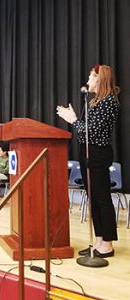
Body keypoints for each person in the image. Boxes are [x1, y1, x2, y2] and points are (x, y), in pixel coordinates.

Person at [56, 64, 119, 258]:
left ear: (100, 79)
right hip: (88, 152)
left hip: (98, 154)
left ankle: (107, 244)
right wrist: (76, 120)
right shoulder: (94, 102)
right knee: (94, 199)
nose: (87, 81)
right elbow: (84, 134)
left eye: (91, 77)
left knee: (102, 199)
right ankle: (99, 240)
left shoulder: (109, 102)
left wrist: (73, 120)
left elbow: (89, 131)